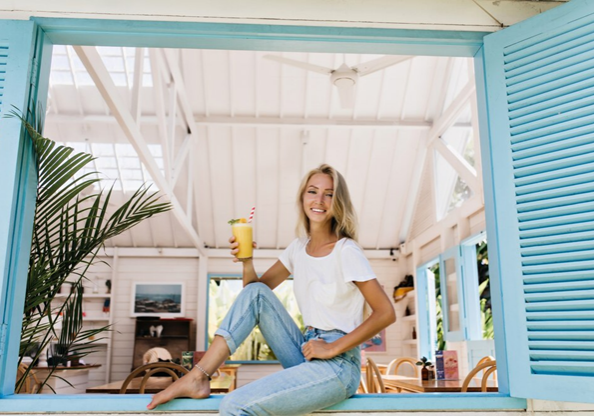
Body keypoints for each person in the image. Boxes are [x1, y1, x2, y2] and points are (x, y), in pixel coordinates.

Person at [147, 164, 396, 415]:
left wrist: (332, 347)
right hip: (306, 350)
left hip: (339, 364)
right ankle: (199, 376)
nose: (319, 200)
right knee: (256, 292)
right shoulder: (298, 249)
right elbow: (253, 297)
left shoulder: (346, 250)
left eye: (329, 194)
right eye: (312, 191)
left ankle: (196, 378)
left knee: (234, 405)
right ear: (302, 198)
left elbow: (385, 312)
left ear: (338, 201)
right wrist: (247, 261)